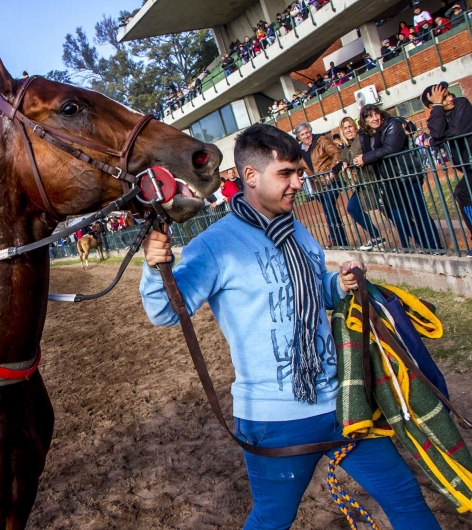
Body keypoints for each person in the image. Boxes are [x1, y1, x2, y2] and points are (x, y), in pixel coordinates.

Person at [139, 123, 441, 530]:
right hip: (274, 419)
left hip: (343, 403)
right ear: (250, 176)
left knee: (406, 499)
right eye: (286, 173)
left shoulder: (297, 230)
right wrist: (154, 266)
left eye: (299, 172)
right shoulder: (215, 244)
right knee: (272, 520)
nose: (299, 182)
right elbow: (165, 312)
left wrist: (342, 284)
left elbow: (320, 293)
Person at [353, 104, 443, 251]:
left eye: (376, 114)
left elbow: (390, 148)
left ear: (381, 114)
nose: (374, 118)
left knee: (419, 213)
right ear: (364, 120)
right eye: (369, 116)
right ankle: (425, 245)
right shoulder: (370, 134)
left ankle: (435, 247)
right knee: (404, 215)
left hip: (406, 175)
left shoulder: (392, 124)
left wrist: (366, 157)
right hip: (390, 180)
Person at [424, 82, 472, 256]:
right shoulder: (438, 117)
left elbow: (458, 130)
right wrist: (437, 107)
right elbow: (437, 133)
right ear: (433, 105)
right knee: (462, 193)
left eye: (448, 94)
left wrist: (435, 140)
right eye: (443, 98)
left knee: (463, 192)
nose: (450, 98)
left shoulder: (462, 103)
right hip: (468, 168)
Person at [294, 122, 348, 247]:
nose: (306, 136)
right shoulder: (299, 151)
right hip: (317, 186)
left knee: (329, 207)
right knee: (328, 211)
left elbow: (337, 153)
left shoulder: (321, 140)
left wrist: (333, 170)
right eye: (302, 134)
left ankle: (339, 240)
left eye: (307, 132)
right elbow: (300, 168)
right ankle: (335, 237)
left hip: (332, 180)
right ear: (299, 137)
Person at [336, 117, 386, 250]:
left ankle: (417, 241)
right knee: (352, 207)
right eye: (345, 128)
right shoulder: (348, 146)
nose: (348, 130)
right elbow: (342, 160)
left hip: (374, 179)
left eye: (350, 126)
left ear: (355, 126)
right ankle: (376, 237)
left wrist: (362, 159)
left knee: (389, 210)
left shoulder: (362, 139)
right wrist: (343, 164)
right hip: (363, 184)